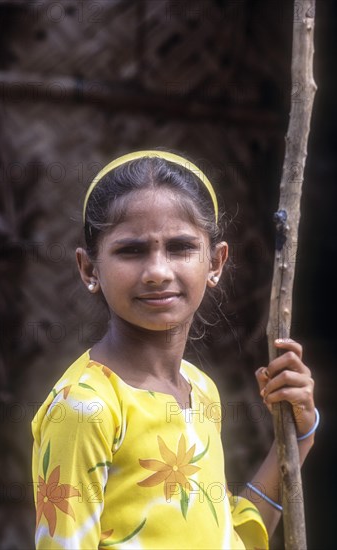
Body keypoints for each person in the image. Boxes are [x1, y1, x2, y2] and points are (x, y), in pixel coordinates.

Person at [31, 150, 317, 549]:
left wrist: (299, 436)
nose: (158, 272)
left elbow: (228, 538)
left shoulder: (200, 391)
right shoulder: (85, 407)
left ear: (215, 263)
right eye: (131, 250)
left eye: (181, 247)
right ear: (89, 268)